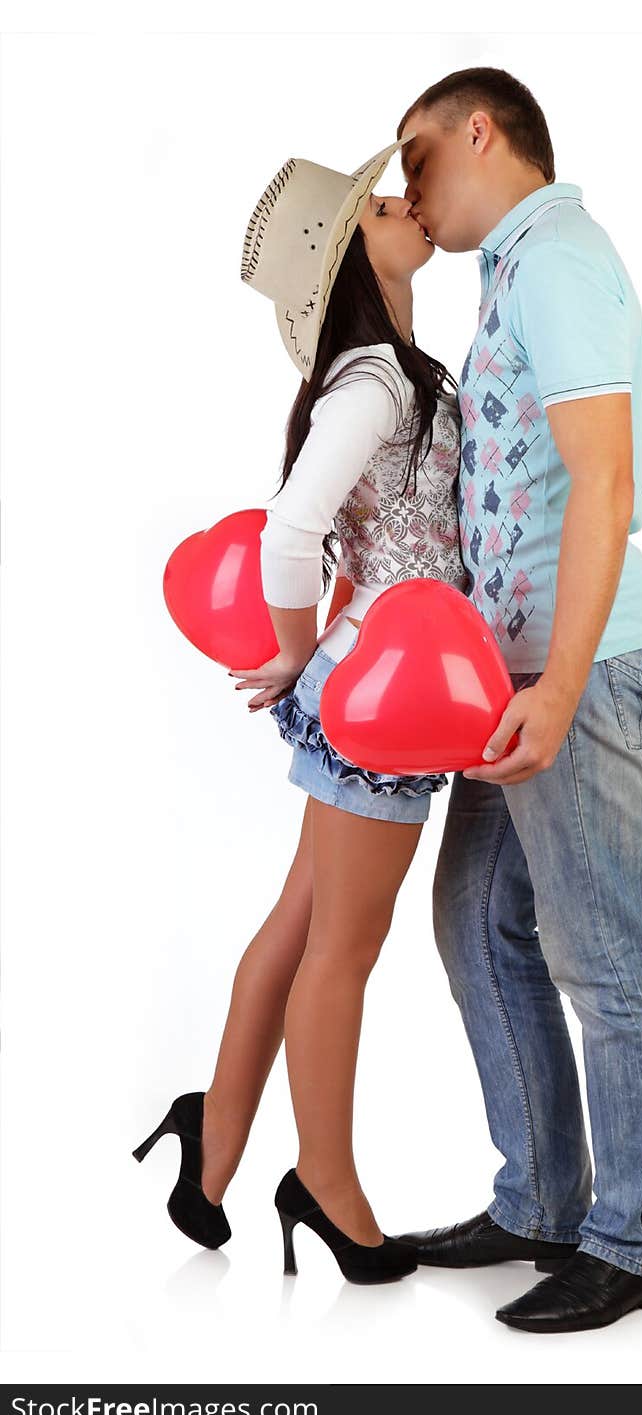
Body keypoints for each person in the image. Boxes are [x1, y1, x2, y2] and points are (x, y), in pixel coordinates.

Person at [132, 135, 474, 1286]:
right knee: (344, 946)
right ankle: (323, 1180)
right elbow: (290, 530)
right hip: (380, 692)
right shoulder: (375, 380)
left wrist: (306, 658)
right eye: (384, 204)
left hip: (377, 682)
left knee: (301, 923)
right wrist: (292, 656)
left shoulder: (387, 370)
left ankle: (211, 1141)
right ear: (346, 256)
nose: (407, 205)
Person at [391, 68, 642, 1333]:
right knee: (475, 921)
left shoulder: (558, 256)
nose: (409, 190)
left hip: (577, 663)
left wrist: (561, 682)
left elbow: (603, 478)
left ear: (480, 131)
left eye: (416, 160)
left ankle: (633, 1241)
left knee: (600, 950)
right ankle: (541, 1201)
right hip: (514, 672)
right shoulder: (510, 268)